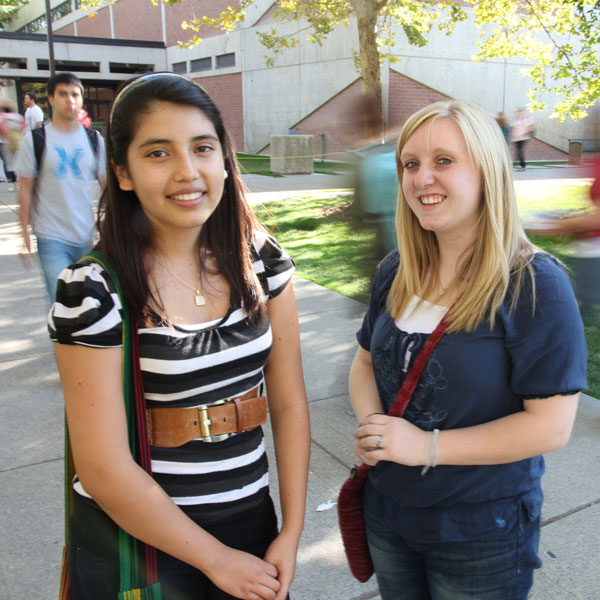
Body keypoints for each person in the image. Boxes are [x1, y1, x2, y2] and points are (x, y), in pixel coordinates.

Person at [48, 72, 310, 600]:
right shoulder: (94, 290)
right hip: (147, 547)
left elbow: (287, 402)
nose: (188, 172)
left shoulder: (261, 260)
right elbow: (102, 467)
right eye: (158, 153)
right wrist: (216, 562)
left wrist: (291, 531)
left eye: (202, 148)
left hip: (253, 527)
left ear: (223, 158)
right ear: (122, 172)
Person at [349, 100, 587, 600]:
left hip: (480, 528)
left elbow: (551, 425)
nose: (420, 178)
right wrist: (377, 430)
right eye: (410, 164)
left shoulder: (532, 284)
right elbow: (366, 361)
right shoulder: (397, 269)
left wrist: (425, 447)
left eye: (444, 161)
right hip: (388, 511)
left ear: (488, 170)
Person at [16, 72, 106, 302]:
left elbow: (108, 187)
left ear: (81, 99)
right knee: (61, 301)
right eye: (63, 94)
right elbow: (26, 188)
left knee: (88, 303)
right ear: (51, 99)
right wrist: (24, 231)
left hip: (86, 236)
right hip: (51, 236)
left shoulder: (94, 140)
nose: (70, 100)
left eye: (75, 94)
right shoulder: (36, 139)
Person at [0, 99, 25, 191]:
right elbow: (24, 128)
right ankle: (22, 183)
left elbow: (2, 130)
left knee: (9, 164)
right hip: (19, 141)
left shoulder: (2, 117)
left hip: (7, 143)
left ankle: (15, 185)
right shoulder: (18, 117)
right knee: (20, 162)